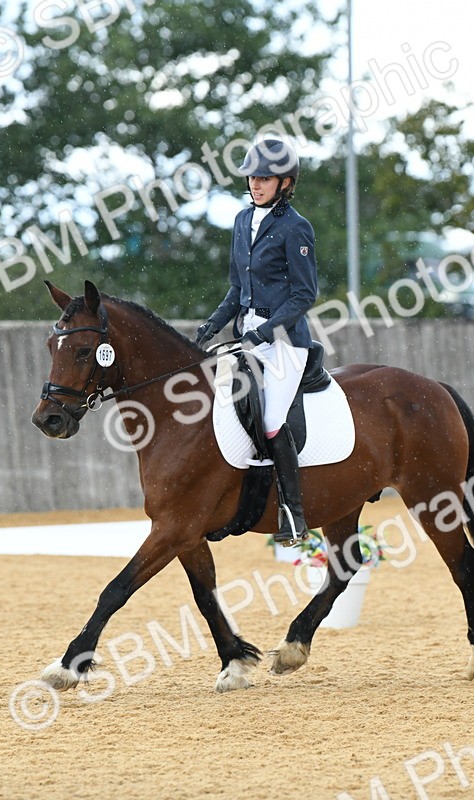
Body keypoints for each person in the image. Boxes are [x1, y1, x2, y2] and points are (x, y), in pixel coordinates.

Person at [195, 138, 318, 544]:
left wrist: (264, 332)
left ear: (285, 183)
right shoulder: (241, 221)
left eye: (264, 178)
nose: (256, 184)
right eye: (252, 177)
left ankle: (294, 516)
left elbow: (304, 295)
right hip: (245, 338)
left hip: (283, 342)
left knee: (269, 420)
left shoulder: (295, 227)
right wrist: (213, 324)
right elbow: (237, 288)